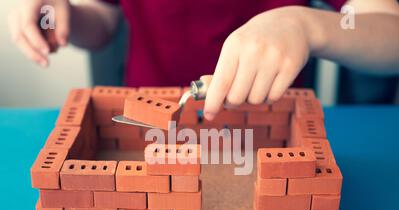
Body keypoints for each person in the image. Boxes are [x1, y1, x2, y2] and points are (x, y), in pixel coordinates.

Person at [8, 0, 399, 120]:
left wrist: (307, 25)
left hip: (266, 125)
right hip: (150, 122)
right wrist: (66, 18)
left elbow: (389, 28)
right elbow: (105, 20)